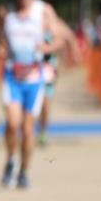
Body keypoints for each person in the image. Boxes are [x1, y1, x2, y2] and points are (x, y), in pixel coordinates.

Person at [0, 0, 64, 189]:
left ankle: (24, 171)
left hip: (35, 77)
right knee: (12, 123)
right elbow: (2, 40)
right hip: (13, 76)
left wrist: (47, 48)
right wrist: (1, 48)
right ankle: (10, 161)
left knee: (27, 129)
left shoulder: (43, 11)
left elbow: (59, 38)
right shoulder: (8, 14)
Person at [37, 17, 79, 147]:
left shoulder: (56, 24)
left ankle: (43, 132)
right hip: (30, 68)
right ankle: (27, 130)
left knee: (46, 102)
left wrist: (74, 52)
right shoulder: (31, 21)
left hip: (49, 69)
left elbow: (69, 37)